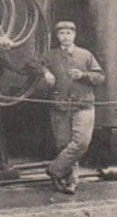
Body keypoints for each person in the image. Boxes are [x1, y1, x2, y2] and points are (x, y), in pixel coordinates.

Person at [40, 20, 105, 195]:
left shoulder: (86, 55)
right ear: (57, 36)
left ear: (74, 35)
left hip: (83, 105)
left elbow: (100, 77)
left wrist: (84, 75)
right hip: (59, 106)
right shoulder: (50, 55)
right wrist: (45, 72)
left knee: (81, 143)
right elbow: (34, 64)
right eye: (61, 33)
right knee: (63, 145)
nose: (65, 36)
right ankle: (69, 181)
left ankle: (54, 170)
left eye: (68, 33)